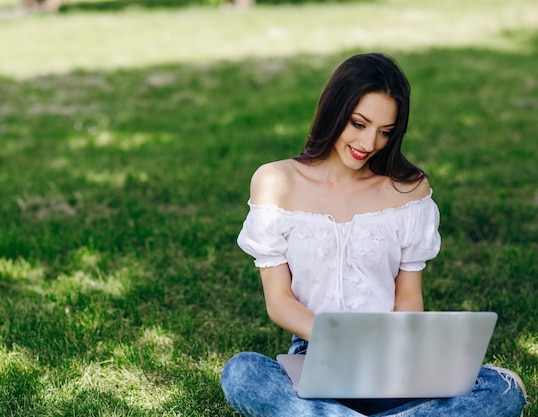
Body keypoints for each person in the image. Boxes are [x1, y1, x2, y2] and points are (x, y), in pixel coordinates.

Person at [220, 53, 527, 417]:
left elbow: (409, 297)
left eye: (385, 132)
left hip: (389, 359)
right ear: (334, 111)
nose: (369, 143)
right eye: (359, 124)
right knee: (241, 373)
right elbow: (279, 301)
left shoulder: (407, 190)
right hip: (315, 355)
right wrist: (344, 344)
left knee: (502, 389)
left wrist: (388, 351)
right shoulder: (276, 182)